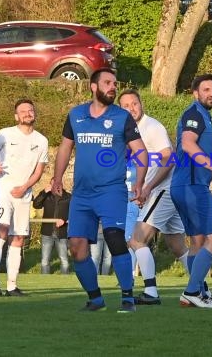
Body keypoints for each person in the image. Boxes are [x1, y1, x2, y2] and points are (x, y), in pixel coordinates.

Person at [52, 67, 148, 313]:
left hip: (111, 191)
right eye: (107, 82)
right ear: (93, 87)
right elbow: (65, 148)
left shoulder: (121, 117)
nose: (112, 87)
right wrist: (57, 178)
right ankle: (95, 299)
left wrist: (139, 182)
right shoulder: (76, 115)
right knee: (76, 246)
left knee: (115, 239)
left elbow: (141, 151)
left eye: (114, 83)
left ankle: (127, 297)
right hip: (82, 194)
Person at [119, 89, 189, 305]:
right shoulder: (133, 130)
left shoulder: (152, 127)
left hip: (163, 191)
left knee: (136, 239)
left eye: (135, 103)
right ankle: (201, 288)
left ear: (142, 104)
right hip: (166, 190)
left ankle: (151, 292)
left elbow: (169, 158)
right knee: (177, 245)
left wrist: (148, 186)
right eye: (126, 106)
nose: (131, 108)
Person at [171, 73, 212, 309]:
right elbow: (187, 143)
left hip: (184, 185)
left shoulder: (204, 115)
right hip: (192, 185)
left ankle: (200, 292)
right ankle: (192, 291)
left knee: (197, 241)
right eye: (206, 90)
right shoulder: (195, 113)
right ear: (196, 93)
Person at [0, 98, 48, 296]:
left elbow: (39, 171)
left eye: (30, 110)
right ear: (16, 116)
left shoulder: (41, 140)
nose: (28, 113)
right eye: (23, 111)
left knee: (18, 237)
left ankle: (12, 285)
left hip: (24, 195)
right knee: (1, 231)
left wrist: (25, 187)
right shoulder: (5, 134)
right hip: (3, 191)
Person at [32, 177, 71, 274]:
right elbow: (36, 205)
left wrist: (65, 221)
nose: (56, 187)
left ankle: (64, 281)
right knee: (45, 261)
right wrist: (43, 192)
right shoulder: (46, 196)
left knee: (64, 260)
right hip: (47, 232)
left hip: (62, 233)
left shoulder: (69, 197)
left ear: (61, 185)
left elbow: (75, 213)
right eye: (53, 185)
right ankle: (45, 280)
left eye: (57, 184)